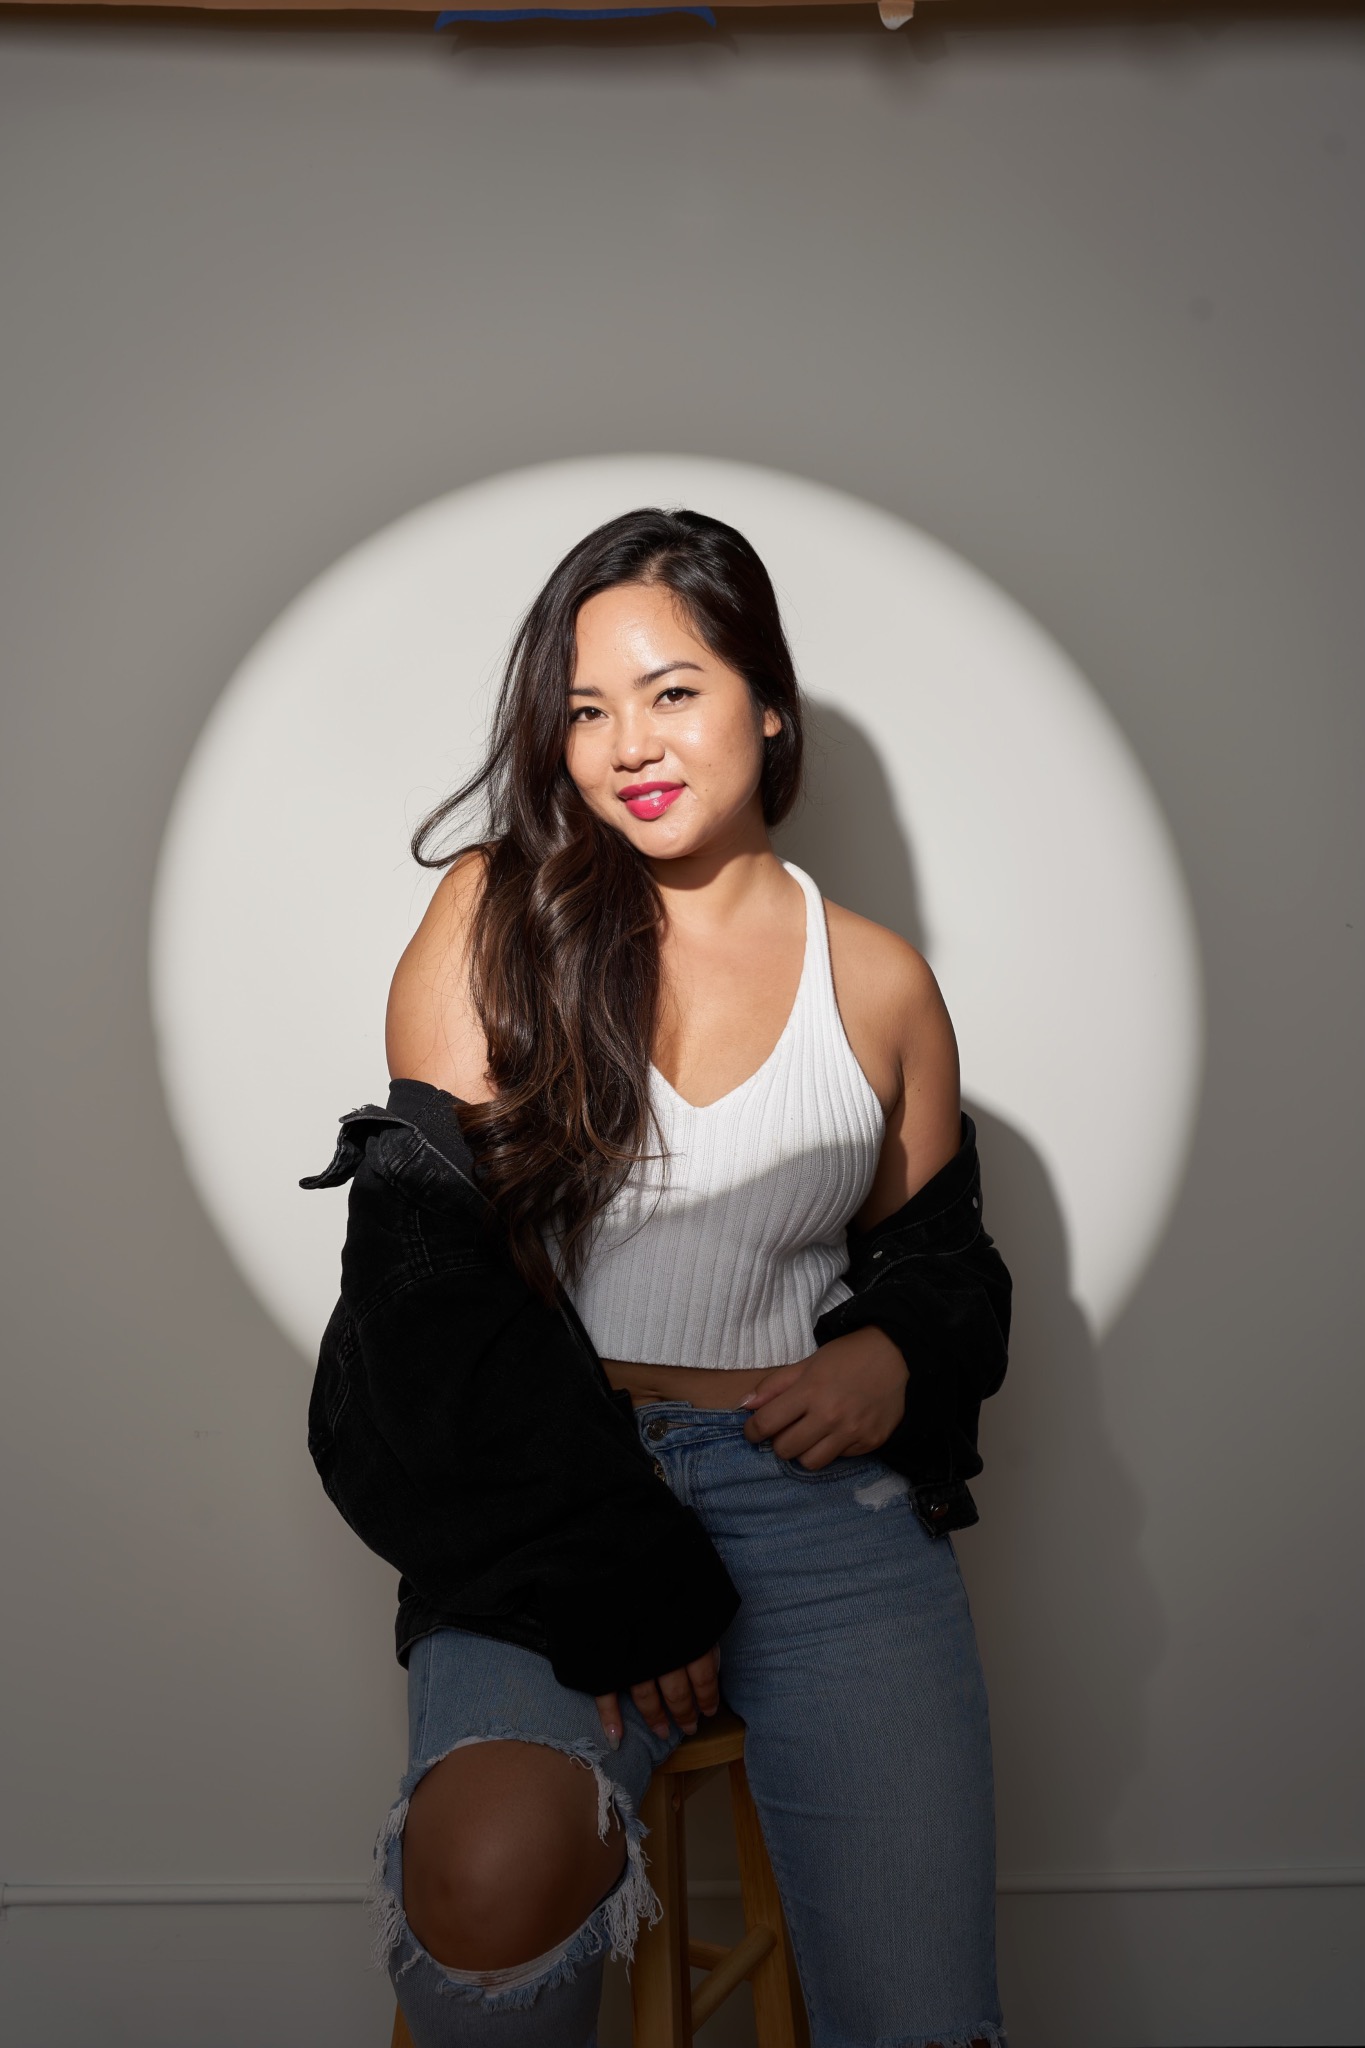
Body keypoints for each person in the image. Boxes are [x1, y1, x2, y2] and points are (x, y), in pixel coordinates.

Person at [302, 507, 1012, 2048]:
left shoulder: (878, 978)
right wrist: (623, 1576)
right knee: (485, 1883)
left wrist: (893, 1349)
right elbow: (425, 1294)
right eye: (583, 709)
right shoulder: (496, 915)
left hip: (815, 1508)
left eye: (672, 690)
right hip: (551, 1492)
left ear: (768, 702)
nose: (627, 742)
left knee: (922, 2013)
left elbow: (943, 1261)